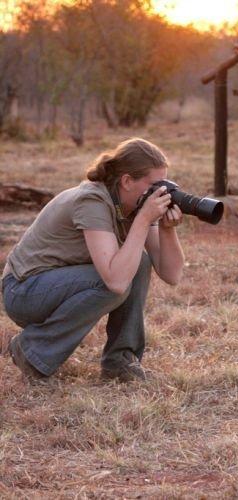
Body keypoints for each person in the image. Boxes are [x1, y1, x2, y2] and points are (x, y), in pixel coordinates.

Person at [2, 137, 185, 383]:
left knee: (138, 262)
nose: (161, 192)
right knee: (112, 282)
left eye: (164, 184)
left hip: (56, 285)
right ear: (127, 181)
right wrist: (143, 220)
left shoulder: (134, 205)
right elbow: (116, 282)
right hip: (23, 291)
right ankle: (32, 351)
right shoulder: (92, 200)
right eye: (154, 185)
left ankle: (120, 363)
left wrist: (166, 229)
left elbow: (172, 275)